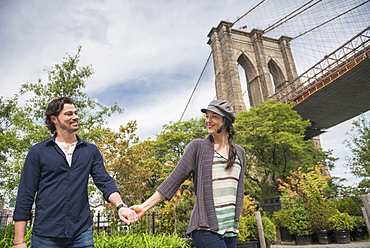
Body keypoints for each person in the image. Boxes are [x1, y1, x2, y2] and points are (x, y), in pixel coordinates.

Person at [13, 97, 138, 248]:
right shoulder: (38, 151)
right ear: (54, 119)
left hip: (81, 234)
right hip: (45, 236)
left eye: (76, 113)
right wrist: (19, 241)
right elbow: (25, 194)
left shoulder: (90, 151)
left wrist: (120, 206)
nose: (75, 117)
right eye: (69, 114)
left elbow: (104, 181)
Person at [131, 99, 246, 248]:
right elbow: (173, 180)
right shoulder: (198, 147)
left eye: (214, 117)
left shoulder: (240, 152)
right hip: (206, 228)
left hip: (231, 229)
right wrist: (144, 207)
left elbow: (239, 189)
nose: (208, 121)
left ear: (226, 121)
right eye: (207, 116)